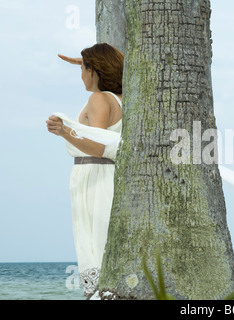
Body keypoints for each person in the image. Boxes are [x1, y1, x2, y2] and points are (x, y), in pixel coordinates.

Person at [46, 43, 124, 298]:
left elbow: (99, 145)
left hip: (95, 177)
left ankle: (101, 295)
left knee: (94, 243)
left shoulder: (99, 98)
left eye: (84, 68)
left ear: (94, 71)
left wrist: (63, 131)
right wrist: (84, 61)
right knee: (100, 241)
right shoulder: (119, 99)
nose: (81, 74)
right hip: (100, 176)